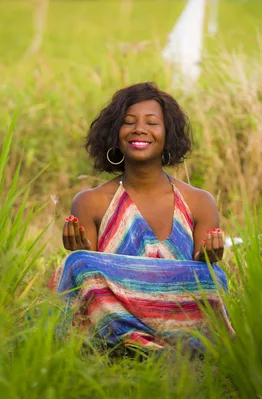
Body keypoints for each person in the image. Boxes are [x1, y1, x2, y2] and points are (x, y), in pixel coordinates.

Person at [48, 82, 234, 351]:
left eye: (152, 122)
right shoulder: (90, 202)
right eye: (129, 122)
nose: (139, 128)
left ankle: (168, 345)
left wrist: (207, 260)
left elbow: (200, 275)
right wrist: (85, 256)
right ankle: (130, 342)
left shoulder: (199, 201)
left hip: (177, 314)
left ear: (168, 134)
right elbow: (86, 284)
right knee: (77, 263)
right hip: (114, 316)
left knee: (214, 276)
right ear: (115, 134)